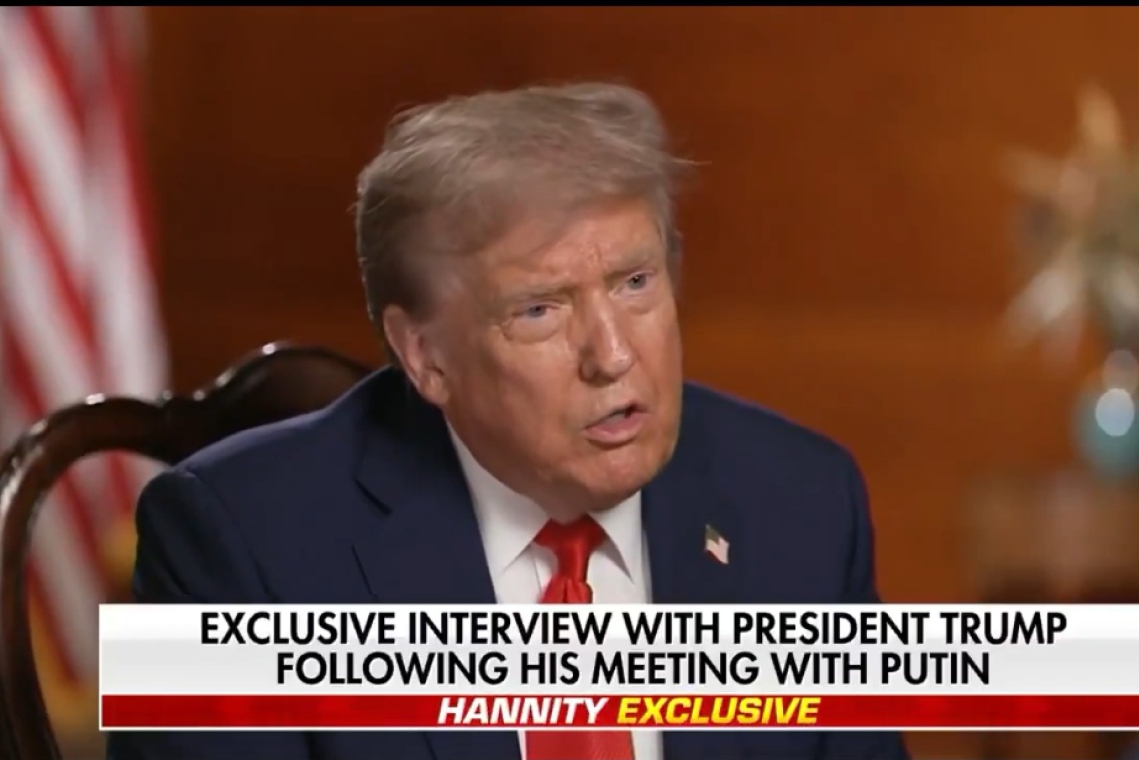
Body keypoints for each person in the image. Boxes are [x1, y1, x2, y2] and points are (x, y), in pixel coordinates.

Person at [107, 82, 909, 760]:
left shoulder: (801, 503)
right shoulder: (240, 545)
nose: (612, 355)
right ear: (426, 355)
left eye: (635, 282)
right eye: (539, 310)